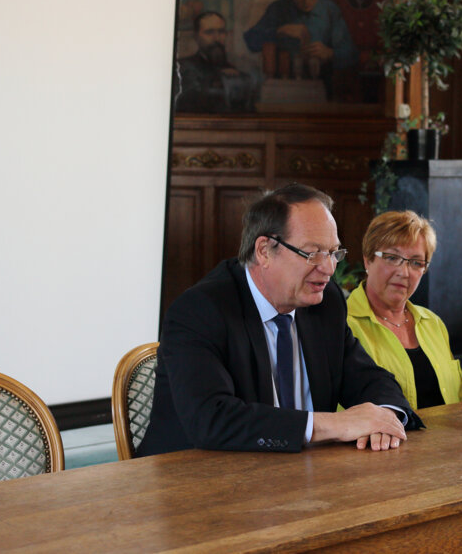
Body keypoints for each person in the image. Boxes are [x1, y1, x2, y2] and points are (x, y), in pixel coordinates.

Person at [138, 184, 421, 457]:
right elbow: (212, 419)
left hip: (299, 475)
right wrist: (333, 424)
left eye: (334, 253)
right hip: (194, 477)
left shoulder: (325, 302)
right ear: (264, 251)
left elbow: (369, 379)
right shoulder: (201, 310)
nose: (328, 268)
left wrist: (384, 418)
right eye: (313, 253)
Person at [347, 211, 462, 409]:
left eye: (415, 263)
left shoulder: (433, 323)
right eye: (392, 258)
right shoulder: (344, 324)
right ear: (368, 259)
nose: (404, 273)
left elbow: (461, 400)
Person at [243, 0, 358, 78]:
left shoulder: (330, 10)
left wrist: (330, 53)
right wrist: (278, 31)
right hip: (283, 84)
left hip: (320, 85)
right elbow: (250, 42)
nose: (306, 0)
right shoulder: (278, 9)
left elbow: (351, 55)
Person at [175, 11, 255, 113]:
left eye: (221, 32)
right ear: (196, 37)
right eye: (209, 32)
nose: (217, 38)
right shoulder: (182, 68)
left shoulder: (237, 72)